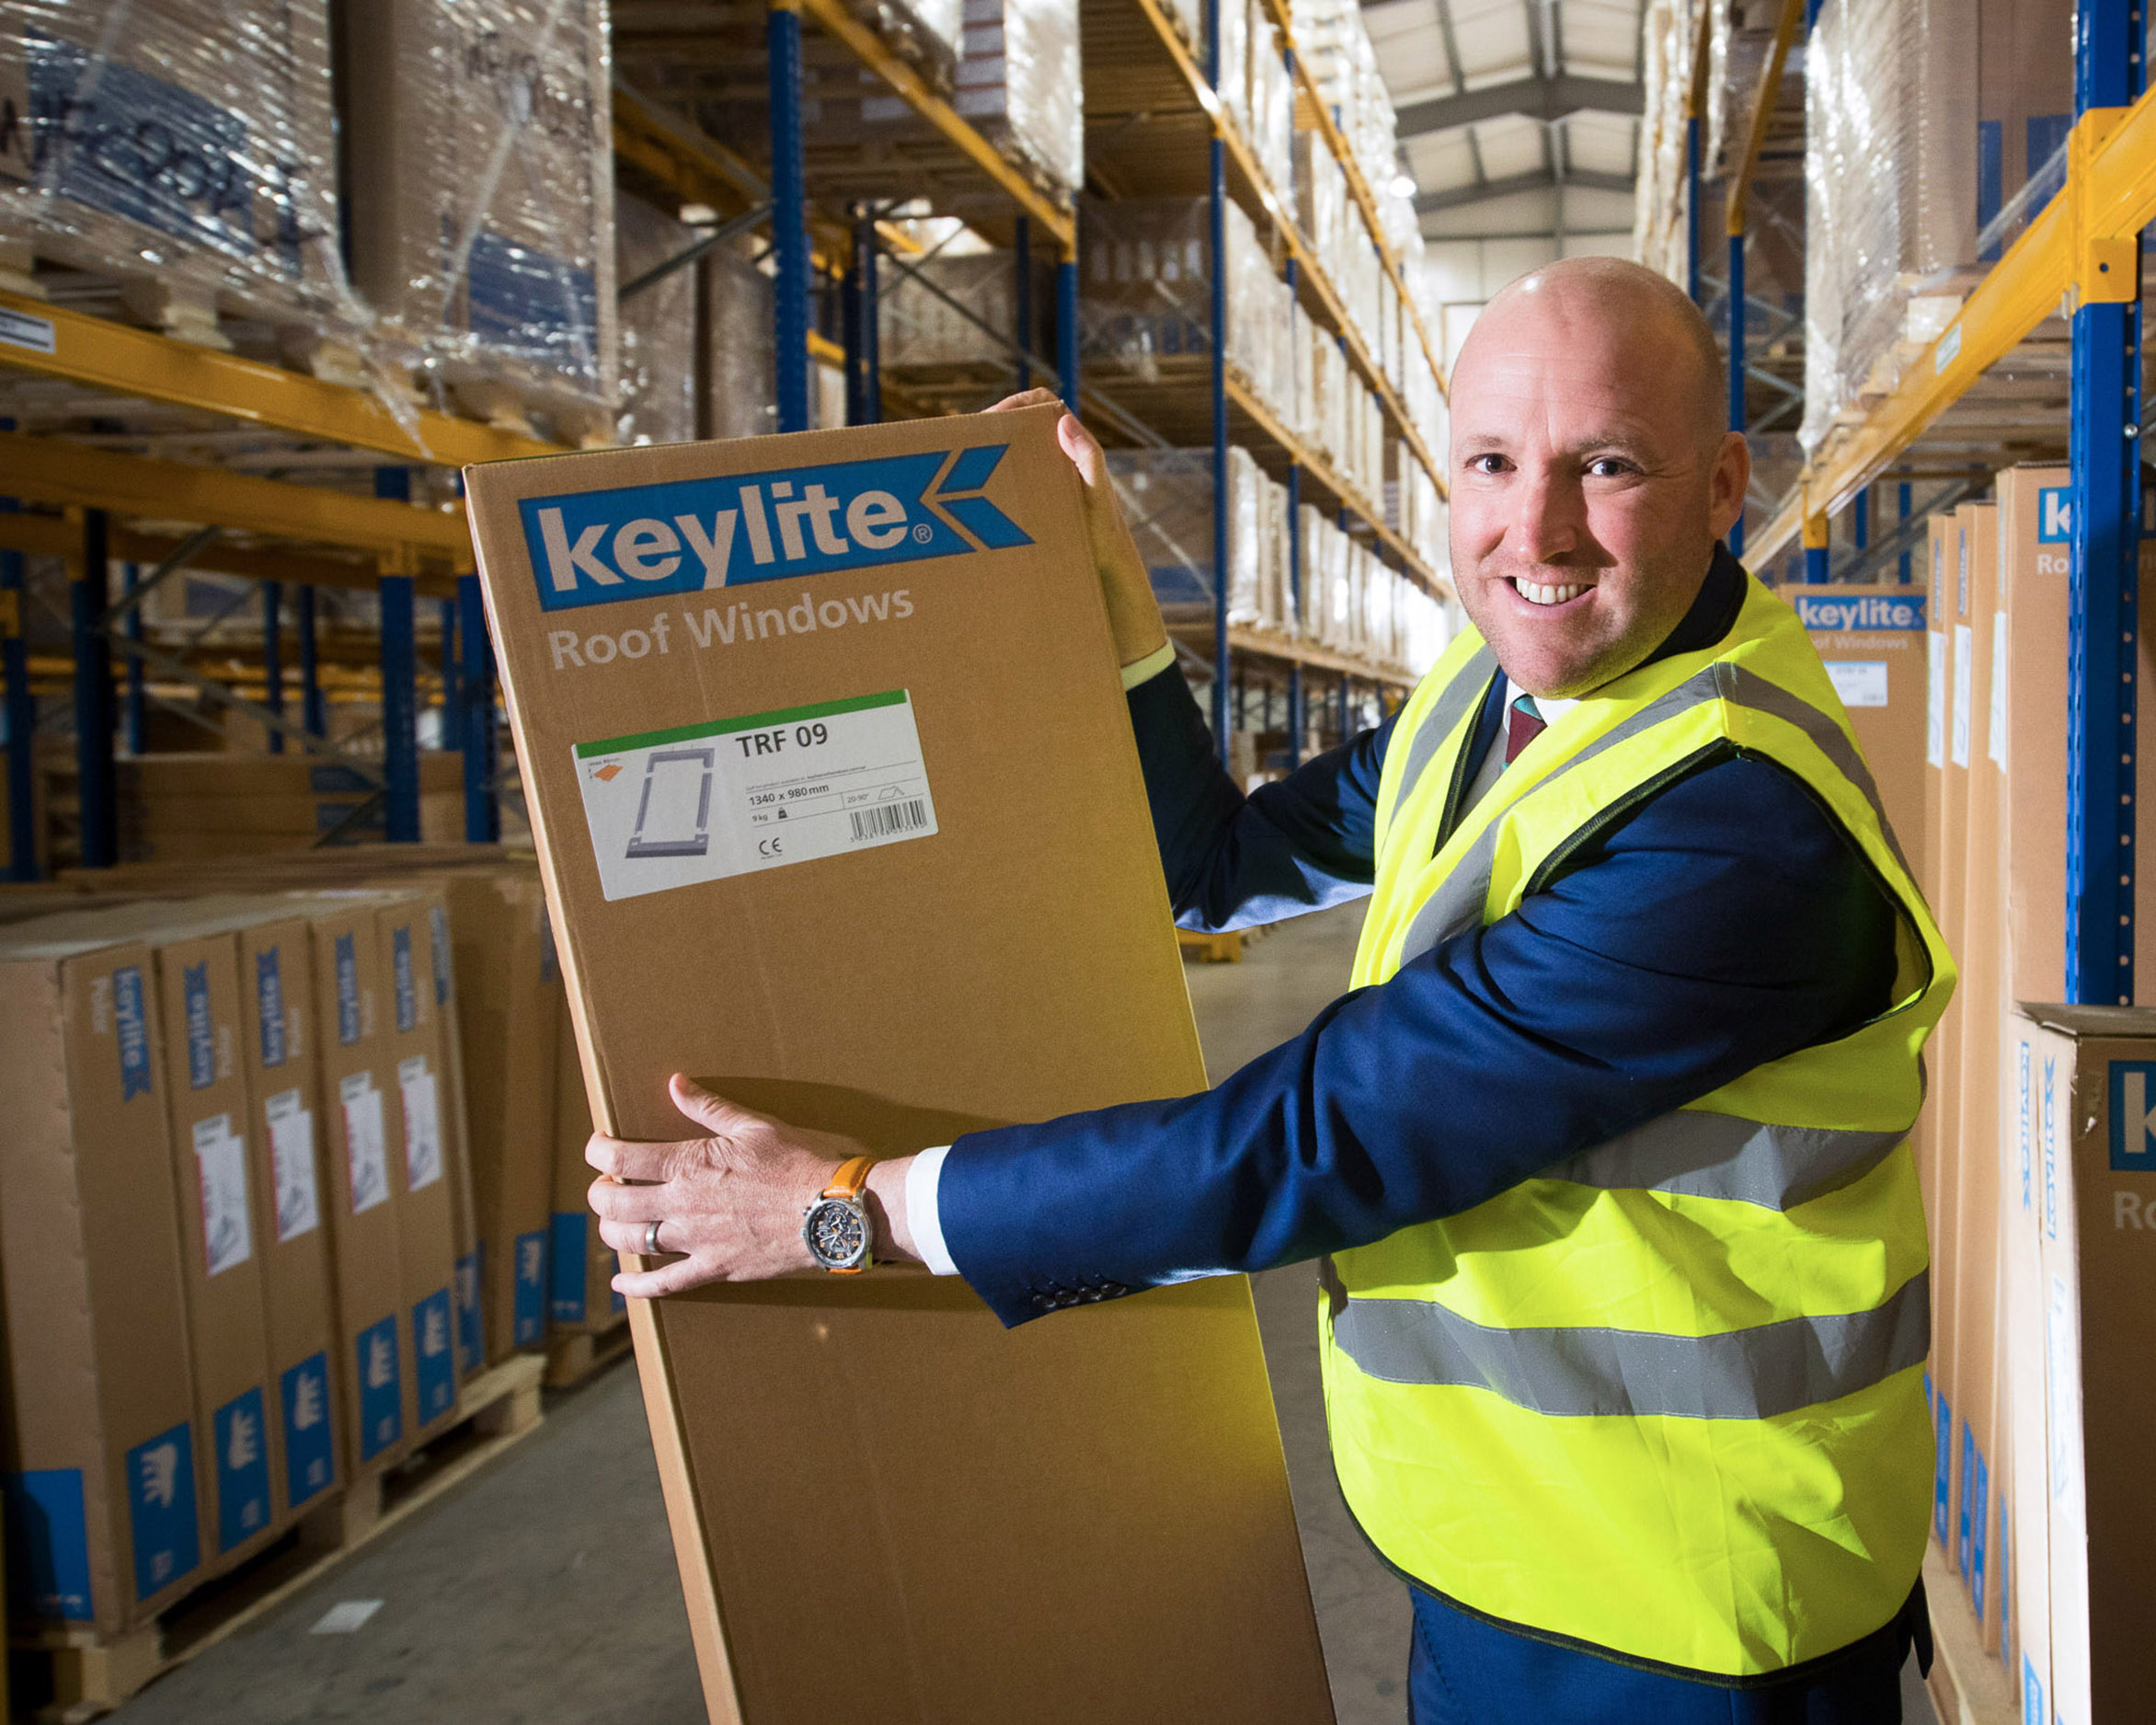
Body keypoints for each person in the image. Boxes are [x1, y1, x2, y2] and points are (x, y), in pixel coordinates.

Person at [586, 257, 1954, 1723]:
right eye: (1492, 463)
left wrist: (855, 1207)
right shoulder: (1488, 700)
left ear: (1723, 483)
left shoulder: (1738, 823)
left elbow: (1324, 1136)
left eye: (1605, 466)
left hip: (1699, 1610)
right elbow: (1218, 865)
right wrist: (1115, 602)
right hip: (1512, 1549)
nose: (1534, 529)